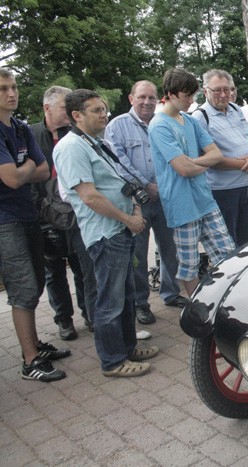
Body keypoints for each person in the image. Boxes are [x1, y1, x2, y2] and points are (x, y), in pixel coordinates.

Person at [54, 89, 158, 378]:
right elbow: (89, 197)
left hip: (119, 227)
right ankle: (113, 360)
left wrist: (134, 211)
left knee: (124, 295)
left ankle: (127, 347)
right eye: (96, 110)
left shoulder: (95, 142)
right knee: (109, 300)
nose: (104, 115)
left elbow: (118, 181)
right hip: (106, 232)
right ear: (77, 115)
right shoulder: (71, 147)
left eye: (104, 109)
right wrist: (128, 218)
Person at [0, 67, 69, 381]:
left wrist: (22, 168)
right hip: (6, 221)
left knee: (37, 282)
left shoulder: (19, 127)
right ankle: (30, 361)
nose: (11, 94)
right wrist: (26, 166)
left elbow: (45, 170)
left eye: (13, 87)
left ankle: (35, 345)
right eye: (3, 89)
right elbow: (13, 178)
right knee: (23, 289)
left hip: (28, 214)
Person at [104, 81, 187, 326]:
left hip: (166, 198)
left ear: (158, 100)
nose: (147, 102)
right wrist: (146, 185)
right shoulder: (117, 127)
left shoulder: (165, 123)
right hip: (136, 201)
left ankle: (171, 293)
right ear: (131, 98)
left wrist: (165, 186)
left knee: (170, 249)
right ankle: (141, 304)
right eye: (142, 97)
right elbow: (118, 162)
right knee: (138, 255)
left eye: (152, 97)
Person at [148, 68, 236, 296]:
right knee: (189, 265)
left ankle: (224, 303)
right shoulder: (159, 125)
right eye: (187, 95)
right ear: (172, 94)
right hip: (182, 205)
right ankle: (200, 311)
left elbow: (216, 155)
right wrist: (197, 163)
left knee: (227, 255)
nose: (191, 100)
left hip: (205, 200)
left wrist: (193, 161)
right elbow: (183, 169)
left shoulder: (189, 120)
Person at [30, 86, 96, 340]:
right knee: (53, 270)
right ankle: (63, 320)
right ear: (47, 108)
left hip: (77, 211)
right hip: (44, 214)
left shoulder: (77, 134)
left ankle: (90, 313)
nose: (69, 111)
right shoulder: (32, 134)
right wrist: (40, 209)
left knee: (83, 266)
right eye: (62, 107)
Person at [192, 69, 248, 246]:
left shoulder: (236, 109)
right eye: (217, 90)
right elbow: (208, 158)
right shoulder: (200, 117)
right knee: (227, 245)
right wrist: (244, 164)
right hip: (222, 192)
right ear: (206, 91)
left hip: (247, 187)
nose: (223, 95)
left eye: (227, 89)